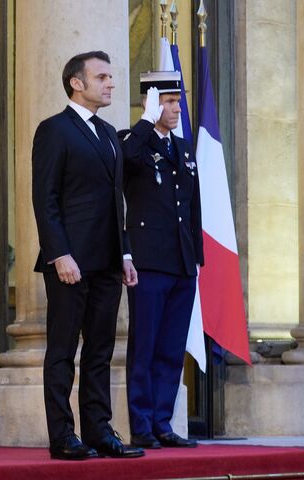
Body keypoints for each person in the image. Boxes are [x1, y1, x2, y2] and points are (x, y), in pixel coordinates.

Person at [32, 51, 143, 460]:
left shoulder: (110, 134)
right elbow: (45, 200)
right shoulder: (53, 130)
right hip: (69, 264)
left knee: (100, 351)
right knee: (63, 351)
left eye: (110, 77)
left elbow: (118, 202)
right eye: (102, 77)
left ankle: (100, 432)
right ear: (76, 83)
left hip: (109, 260)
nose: (110, 83)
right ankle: (62, 436)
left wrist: (126, 254)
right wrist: (59, 253)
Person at [118, 71, 204, 449]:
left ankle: (163, 423)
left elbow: (193, 207)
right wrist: (144, 122)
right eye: (167, 101)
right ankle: (141, 424)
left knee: (171, 348)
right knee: (145, 345)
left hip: (182, 263)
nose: (174, 108)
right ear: (149, 103)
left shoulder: (184, 149)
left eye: (176, 101)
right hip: (149, 261)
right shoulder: (132, 141)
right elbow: (123, 163)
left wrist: (197, 257)